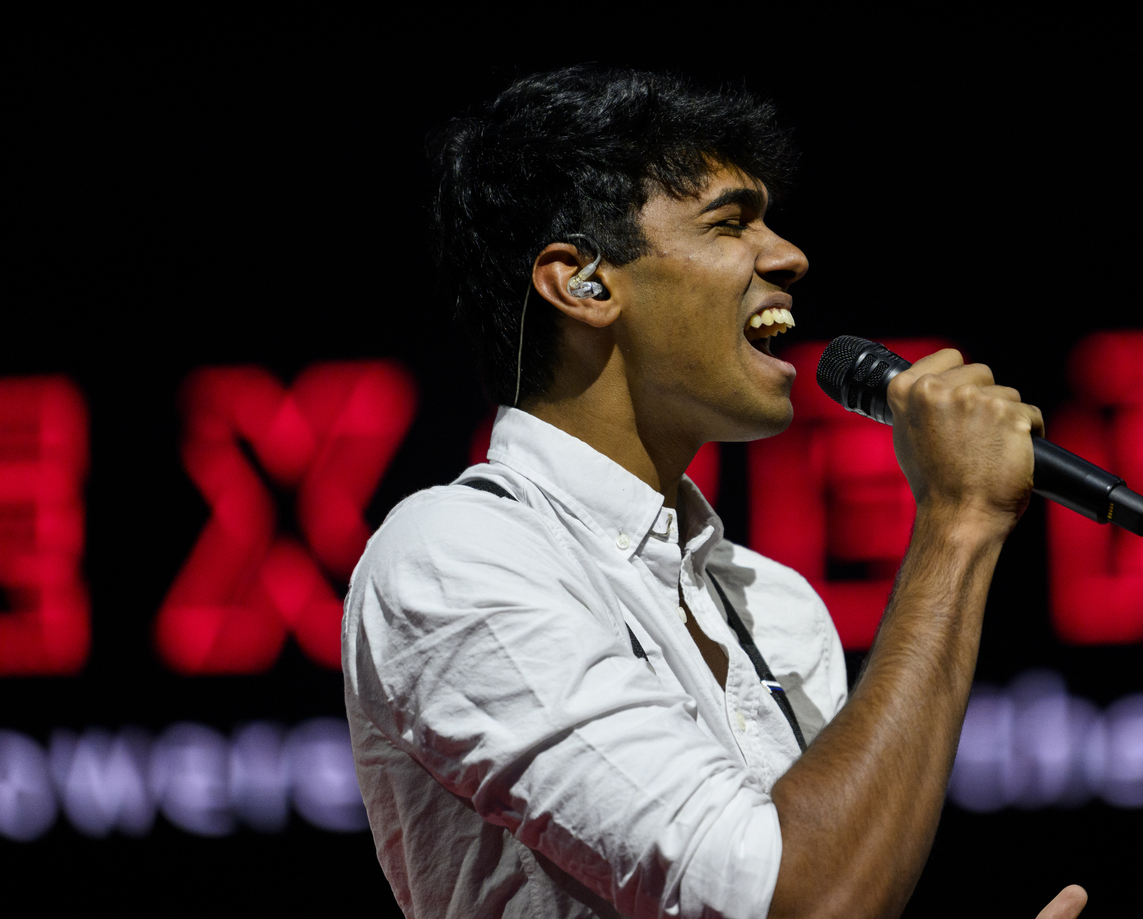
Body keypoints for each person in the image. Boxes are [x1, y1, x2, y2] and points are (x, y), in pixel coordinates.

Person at [341, 65, 1087, 919]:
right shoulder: (453, 555)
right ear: (582, 283)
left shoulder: (778, 606)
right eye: (731, 223)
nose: (788, 255)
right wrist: (957, 523)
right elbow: (798, 899)